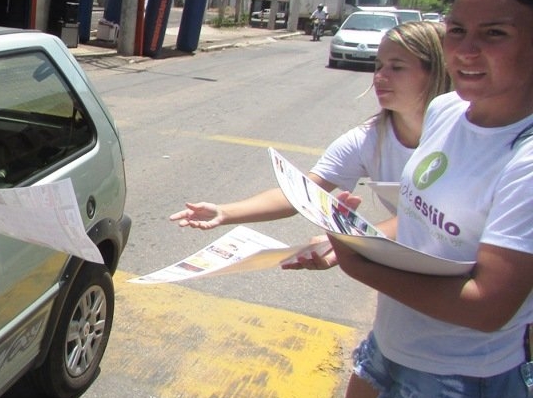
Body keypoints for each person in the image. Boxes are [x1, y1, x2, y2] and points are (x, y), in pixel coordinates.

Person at [317, 0, 533, 398]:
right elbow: (418, 221)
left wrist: (361, 264)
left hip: (470, 385)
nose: (466, 50)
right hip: (390, 350)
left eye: (494, 33)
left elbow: (489, 305)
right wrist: (356, 231)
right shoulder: (446, 111)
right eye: (457, 30)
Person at [169, 21, 450, 268]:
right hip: (407, 275)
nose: (380, 76)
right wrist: (225, 212)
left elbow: (429, 220)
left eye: (397, 67)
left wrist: (353, 239)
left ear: (436, 71)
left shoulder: (462, 137)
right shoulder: (368, 139)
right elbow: (302, 192)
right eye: (378, 66)